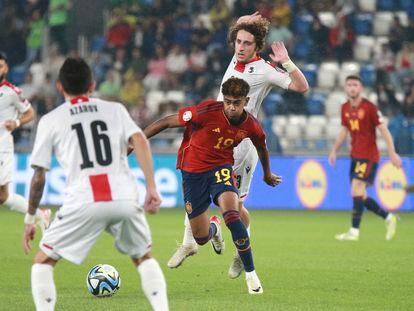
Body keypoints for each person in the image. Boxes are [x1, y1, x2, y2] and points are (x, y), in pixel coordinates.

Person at [167, 12, 308, 279]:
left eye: (247, 43)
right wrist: (245, 18)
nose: (241, 47)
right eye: (238, 42)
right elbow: (241, 28)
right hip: (213, 140)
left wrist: (286, 62)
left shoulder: (266, 70)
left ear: (257, 47)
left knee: (236, 208)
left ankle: (240, 251)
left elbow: (302, 87)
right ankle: (188, 244)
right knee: (195, 190)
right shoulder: (235, 58)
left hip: (241, 150)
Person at [22, 58, 169, 311]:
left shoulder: (51, 120)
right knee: (143, 257)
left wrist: (30, 217)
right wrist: (152, 187)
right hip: (124, 197)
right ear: (92, 84)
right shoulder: (115, 110)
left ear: (59, 87)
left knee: (42, 262)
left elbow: (39, 176)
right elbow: (141, 141)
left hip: (83, 199)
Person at [145, 77, 281, 294]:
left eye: (236, 102)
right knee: (200, 237)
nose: (231, 107)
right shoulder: (206, 111)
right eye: (227, 101)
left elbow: (262, 148)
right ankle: (214, 229)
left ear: (246, 101)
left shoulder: (251, 125)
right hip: (192, 172)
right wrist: (138, 141)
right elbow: (166, 122)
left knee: (233, 214)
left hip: (221, 168)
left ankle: (251, 274)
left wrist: (266, 174)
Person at [328, 75, 402, 241]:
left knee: (356, 189)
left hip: (368, 156)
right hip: (354, 156)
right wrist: (334, 150)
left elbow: (384, 131)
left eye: (355, 85)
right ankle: (388, 217)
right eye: (349, 85)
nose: (352, 88)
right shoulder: (345, 108)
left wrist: (392, 153)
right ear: (346, 88)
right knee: (360, 194)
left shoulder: (370, 108)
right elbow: (344, 130)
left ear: (360, 88)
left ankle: (354, 231)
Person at [0, 52, 50, 230]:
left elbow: (30, 113)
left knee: (2, 196)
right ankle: (40, 214)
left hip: (2, 147)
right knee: (3, 197)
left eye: (0, 66)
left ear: (6, 68)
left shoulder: (12, 92)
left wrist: (16, 122)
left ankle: (38, 214)